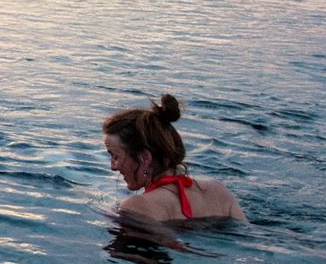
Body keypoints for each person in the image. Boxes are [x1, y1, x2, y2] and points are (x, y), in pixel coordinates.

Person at [102, 94, 246, 222]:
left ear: (145, 158)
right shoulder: (218, 190)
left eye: (115, 156)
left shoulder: (136, 207)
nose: (113, 166)